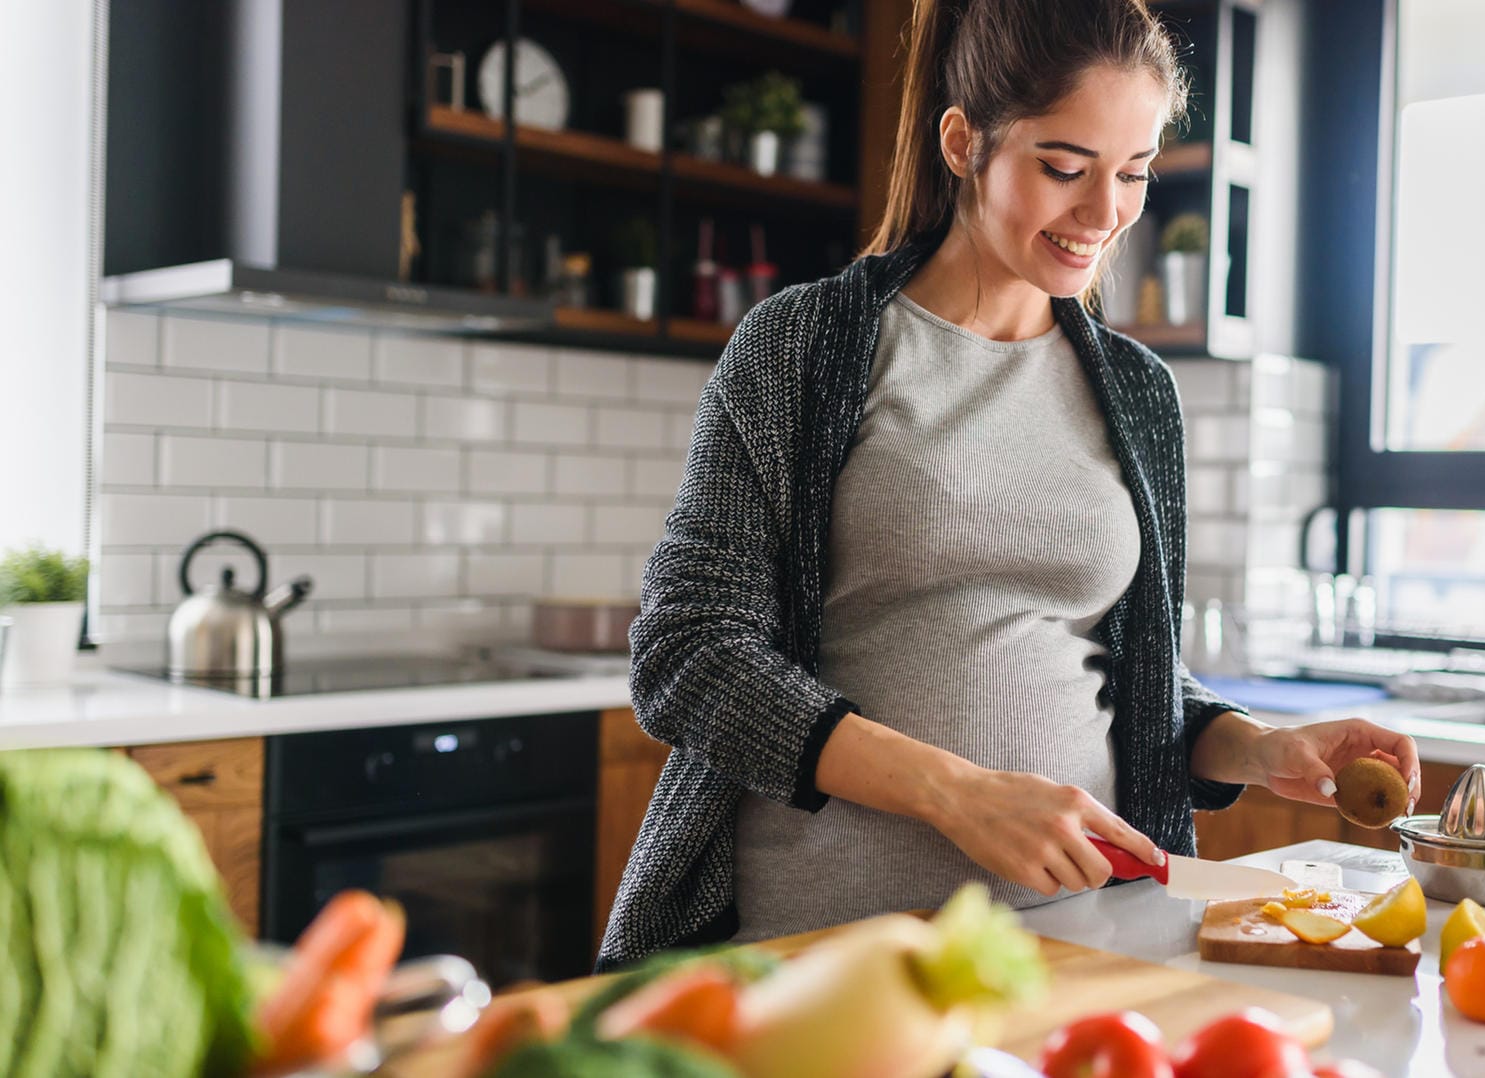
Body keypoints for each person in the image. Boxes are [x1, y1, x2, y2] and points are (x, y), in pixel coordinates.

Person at [596, 0, 1421, 968]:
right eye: (1064, 169)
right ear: (963, 142)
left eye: (1134, 174)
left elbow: (1123, 676)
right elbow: (689, 655)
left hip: (1077, 945)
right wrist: (958, 792)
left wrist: (1257, 748)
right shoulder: (803, 349)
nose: (1104, 213)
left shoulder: (1138, 394)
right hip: (829, 951)